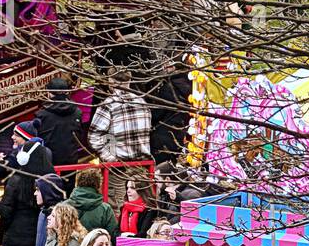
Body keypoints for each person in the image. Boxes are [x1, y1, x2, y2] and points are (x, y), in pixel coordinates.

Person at [0, 120, 55, 246]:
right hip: (36, 235)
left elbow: (5, 209)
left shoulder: (15, 181)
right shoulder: (49, 182)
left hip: (15, 233)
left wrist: (2, 230)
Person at [88, 76, 153, 212]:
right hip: (142, 165)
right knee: (142, 205)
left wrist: (110, 157)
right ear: (129, 80)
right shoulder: (142, 102)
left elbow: (94, 137)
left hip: (119, 167)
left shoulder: (108, 105)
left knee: (116, 207)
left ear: (111, 82)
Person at [34, 78, 87, 169]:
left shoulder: (42, 115)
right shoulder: (77, 112)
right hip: (71, 161)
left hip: (48, 162)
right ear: (67, 92)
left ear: (49, 92)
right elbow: (79, 134)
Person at [150, 68, 193, 164]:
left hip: (164, 134)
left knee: (160, 170)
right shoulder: (193, 88)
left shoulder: (168, 88)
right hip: (183, 135)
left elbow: (157, 114)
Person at [67, 167, 118, 238]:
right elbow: (112, 234)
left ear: (77, 183)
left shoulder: (64, 207)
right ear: (98, 185)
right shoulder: (105, 209)